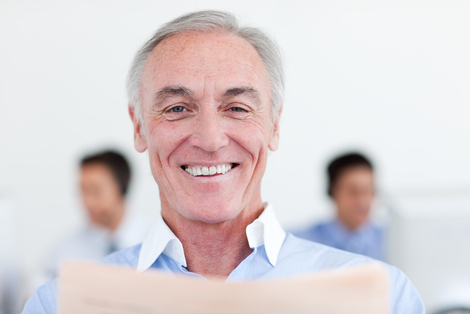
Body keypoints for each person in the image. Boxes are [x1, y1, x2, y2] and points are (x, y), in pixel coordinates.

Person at [23, 10, 424, 313]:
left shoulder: (383, 300)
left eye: (236, 107)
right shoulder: (59, 306)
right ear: (140, 127)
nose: (211, 140)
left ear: (274, 125)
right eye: (178, 108)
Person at [31, 150, 150, 289]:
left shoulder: (156, 243)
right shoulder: (65, 249)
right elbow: (36, 293)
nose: (87, 202)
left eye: (95, 191)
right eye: (82, 191)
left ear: (122, 188)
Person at [292, 152, 385, 261]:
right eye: (353, 191)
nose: (362, 201)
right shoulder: (300, 243)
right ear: (332, 192)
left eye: (368, 191)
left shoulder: (393, 242)